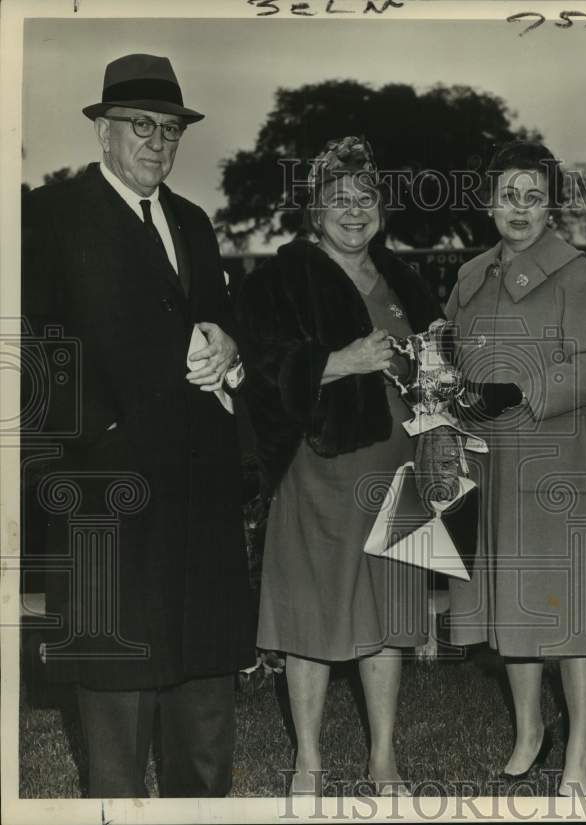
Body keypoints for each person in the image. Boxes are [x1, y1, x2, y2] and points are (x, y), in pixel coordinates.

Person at [21, 53, 254, 798]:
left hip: (198, 497)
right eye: (140, 125)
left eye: (170, 129)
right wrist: (105, 434)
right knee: (116, 712)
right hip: (109, 492)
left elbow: (215, 317)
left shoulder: (193, 221)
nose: (157, 141)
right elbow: (34, 350)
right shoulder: (53, 219)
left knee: (204, 698)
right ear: (104, 133)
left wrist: (231, 346)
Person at [235, 136, 441, 796]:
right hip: (321, 467)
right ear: (314, 210)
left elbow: (437, 361)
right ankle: (309, 761)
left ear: (382, 208)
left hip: (397, 464)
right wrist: (343, 361)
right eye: (337, 200)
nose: (354, 211)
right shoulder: (282, 277)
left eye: (366, 198)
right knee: (310, 616)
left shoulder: (404, 278)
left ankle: (383, 759)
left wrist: (438, 404)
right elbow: (260, 367)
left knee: (387, 615)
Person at [444, 140, 586, 797]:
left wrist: (526, 389)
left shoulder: (575, 272)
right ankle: (528, 730)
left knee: (569, 606)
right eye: (506, 195)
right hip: (489, 465)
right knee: (507, 602)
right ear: (489, 201)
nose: (517, 209)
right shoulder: (469, 276)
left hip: (555, 461)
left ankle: (581, 745)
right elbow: (453, 360)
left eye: (532, 196)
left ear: (551, 206)